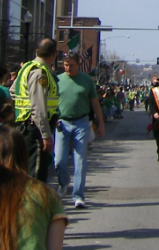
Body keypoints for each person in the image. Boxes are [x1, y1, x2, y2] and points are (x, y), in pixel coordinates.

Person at [54, 54, 104, 208]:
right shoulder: (57, 80)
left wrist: (100, 123)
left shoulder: (86, 80)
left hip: (81, 122)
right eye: (66, 65)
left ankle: (78, 195)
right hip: (62, 122)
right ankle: (63, 183)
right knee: (59, 160)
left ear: (78, 65)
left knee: (80, 160)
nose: (68, 68)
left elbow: (95, 103)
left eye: (72, 65)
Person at [12, 38, 60, 182]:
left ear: (37, 51)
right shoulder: (41, 73)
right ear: (54, 54)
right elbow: (38, 107)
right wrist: (46, 135)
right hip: (35, 128)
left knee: (27, 170)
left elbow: (13, 91)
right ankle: (33, 203)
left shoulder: (26, 68)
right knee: (36, 174)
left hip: (24, 125)